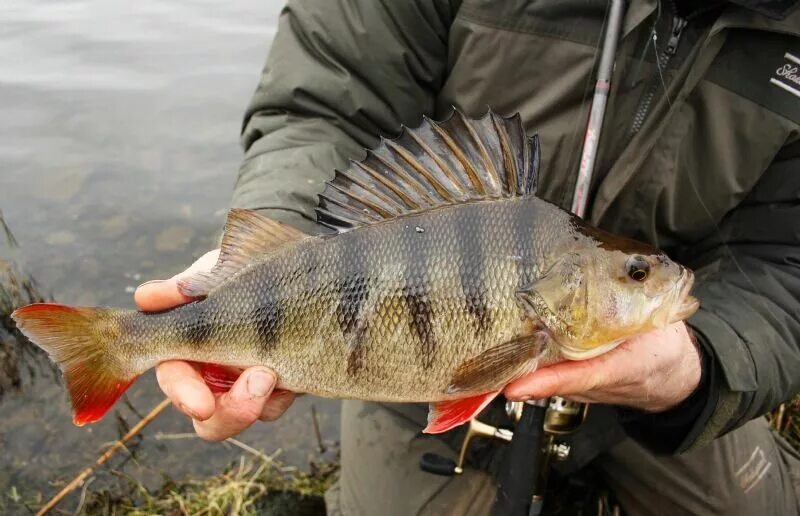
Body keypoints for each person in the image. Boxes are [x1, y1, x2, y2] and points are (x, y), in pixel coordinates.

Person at [135, 0, 800, 514]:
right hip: (399, 375)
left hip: (676, 379)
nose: (652, 278)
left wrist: (703, 368)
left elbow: (784, 261)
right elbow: (325, 98)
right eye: (636, 273)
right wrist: (279, 233)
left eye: (637, 273)